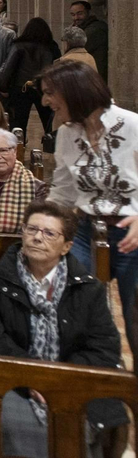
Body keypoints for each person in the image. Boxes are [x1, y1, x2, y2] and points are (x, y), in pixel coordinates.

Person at [0, 202, 128, 458]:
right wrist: (33, 378)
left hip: (71, 380)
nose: (37, 237)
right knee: (9, 420)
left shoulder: (88, 288)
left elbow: (105, 348)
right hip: (14, 377)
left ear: (66, 246)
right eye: (31, 229)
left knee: (74, 421)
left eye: (48, 233)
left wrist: (58, 381)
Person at [40, 59, 138, 353]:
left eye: (49, 92)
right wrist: (44, 222)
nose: (45, 101)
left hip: (130, 230)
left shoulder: (132, 125)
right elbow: (63, 190)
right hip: (85, 228)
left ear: (73, 91)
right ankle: (91, 377)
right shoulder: (67, 134)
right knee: (74, 302)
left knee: (134, 313)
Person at [0, 16, 60, 138]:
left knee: (18, 123)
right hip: (44, 89)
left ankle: (18, 149)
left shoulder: (19, 45)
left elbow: (9, 67)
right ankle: (51, 147)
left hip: (20, 88)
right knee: (48, 122)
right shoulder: (51, 46)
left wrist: (3, 87)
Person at [69, 0, 108, 79]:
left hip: (95, 77)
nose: (76, 18)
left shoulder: (95, 29)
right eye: (73, 14)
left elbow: (73, 54)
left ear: (89, 13)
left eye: (80, 14)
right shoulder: (83, 28)